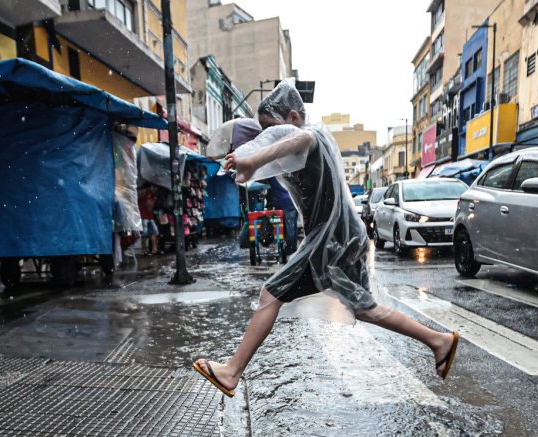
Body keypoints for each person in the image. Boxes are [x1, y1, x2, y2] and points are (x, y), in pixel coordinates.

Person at [194, 81, 460, 398]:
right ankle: (438, 341)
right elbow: (278, 155)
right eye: (264, 133)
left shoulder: (312, 135)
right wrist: (249, 163)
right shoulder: (300, 145)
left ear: (293, 116)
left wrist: (253, 160)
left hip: (331, 240)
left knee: (271, 293)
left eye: (273, 130)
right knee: (364, 308)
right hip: (340, 237)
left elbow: (301, 138)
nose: (270, 137)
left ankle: (232, 371)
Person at [265, 176, 298, 256]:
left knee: (287, 228)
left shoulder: (272, 173)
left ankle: (289, 252)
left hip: (285, 202)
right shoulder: (285, 170)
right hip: (290, 201)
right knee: (291, 227)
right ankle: (291, 250)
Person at [138, 184, 159, 255]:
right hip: (144, 216)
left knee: (153, 232)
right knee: (144, 234)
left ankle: (154, 248)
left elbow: (151, 206)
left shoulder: (152, 195)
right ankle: (144, 250)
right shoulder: (144, 192)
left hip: (150, 216)